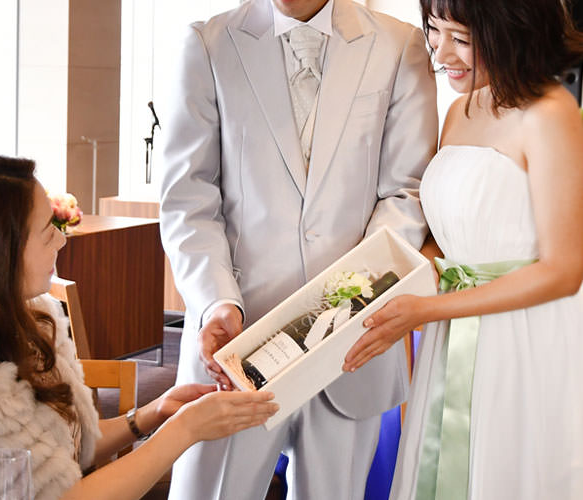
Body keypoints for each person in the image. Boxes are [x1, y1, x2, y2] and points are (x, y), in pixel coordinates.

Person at [158, 0, 438, 498]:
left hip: (351, 343)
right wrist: (217, 301)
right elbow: (189, 200)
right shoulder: (208, 44)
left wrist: (350, 299)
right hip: (238, 345)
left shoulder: (399, 45)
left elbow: (407, 191)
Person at [0, 155, 279, 500]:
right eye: (47, 232)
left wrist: (152, 414)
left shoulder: (32, 321)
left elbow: (60, 450)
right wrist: (185, 430)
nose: (61, 241)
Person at [344, 0, 583, 498]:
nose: (440, 53)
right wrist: (384, 287)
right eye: (435, 31)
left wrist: (427, 309)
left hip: (521, 335)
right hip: (451, 329)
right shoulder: (460, 109)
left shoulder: (551, 114)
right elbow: (446, 236)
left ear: (512, 30)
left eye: (461, 38)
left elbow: (564, 270)